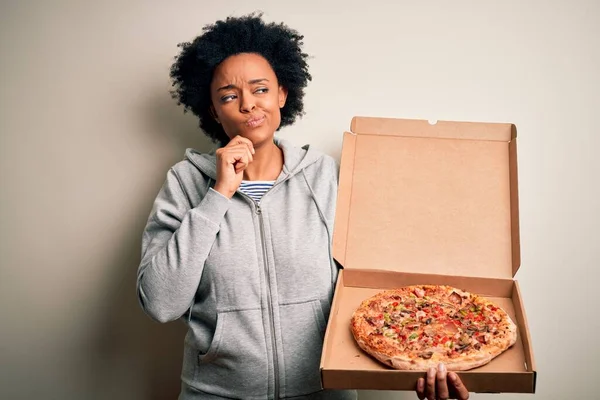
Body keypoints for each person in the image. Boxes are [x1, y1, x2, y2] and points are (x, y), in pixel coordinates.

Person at [136, 12, 470, 400]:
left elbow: (377, 283)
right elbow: (160, 303)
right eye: (229, 96)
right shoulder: (186, 182)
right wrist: (219, 194)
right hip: (217, 393)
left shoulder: (326, 177)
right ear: (213, 110)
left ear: (282, 94)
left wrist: (428, 355)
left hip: (324, 391)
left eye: (260, 89)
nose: (247, 105)